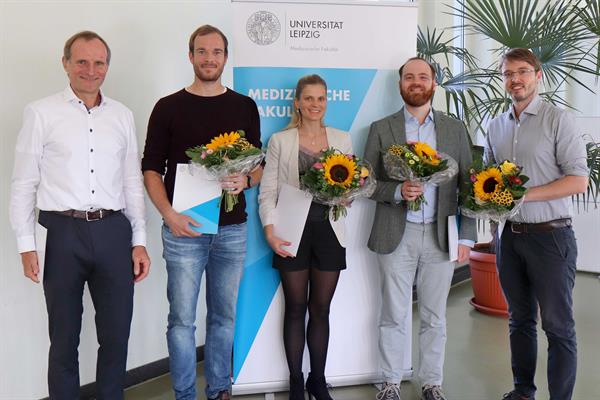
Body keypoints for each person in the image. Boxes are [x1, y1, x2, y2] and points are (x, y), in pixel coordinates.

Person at [9, 31, 150, 399]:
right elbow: (23, 183)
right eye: (82, 61)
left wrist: (139, 241)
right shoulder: (41, 113)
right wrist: (26, 245)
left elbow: (132, 182)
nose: (91, 70)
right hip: (60, 235)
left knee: (116, 337)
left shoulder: (122, 116)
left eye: (99, 62)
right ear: (66, 63)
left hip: (113, 233)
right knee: (64, 340)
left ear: (107, 66)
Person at [141, 25, 262, 400]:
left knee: (223, 318)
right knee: (181, 322)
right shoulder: (167, 107)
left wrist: (246, 182)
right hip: (183, 231)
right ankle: (184, 395)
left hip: (232, 231)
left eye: (217, 52)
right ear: (190, 55)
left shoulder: (244, 106)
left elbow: (257, 166)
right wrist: (169, 215)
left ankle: (220, 390)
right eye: (202, 51)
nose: (209, 59)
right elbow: (150, 168)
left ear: (225, 57)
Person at [364, 57, 476, 400]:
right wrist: (397, 191)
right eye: (409, 77)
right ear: (400, 84)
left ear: (433, 83)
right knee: (393, 313)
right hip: (396, 232)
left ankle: (431, 383)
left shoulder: (454, 129)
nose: (416, 82)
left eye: (422, 77)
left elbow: (468, 186)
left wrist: (467, 235)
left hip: (441, 234)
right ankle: (391, 383)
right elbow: (366, 183)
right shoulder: (381, 129)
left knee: (434, 315)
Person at [485, 48, 588, 400]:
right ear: (503, 79)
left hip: (551, 238)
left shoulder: (558, 120)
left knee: (558, 327)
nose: (516, 79)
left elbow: (578, 180)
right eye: (508, 73)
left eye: (523, 72)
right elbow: (489, 180)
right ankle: (523, 391)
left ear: (537, 75)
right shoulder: (495, 126)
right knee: (519, 320)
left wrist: (524, 195)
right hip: (509, 239)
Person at [258, 74, 351, 400]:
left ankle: (318, 380)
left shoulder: (342, 138)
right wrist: (269, 229)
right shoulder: (280, 141)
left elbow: (349, 186)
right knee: (295, 308)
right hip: (290, 230)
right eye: (308, 98)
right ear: (297, 102)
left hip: (329, 231)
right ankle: (296, 382)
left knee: (321, 309)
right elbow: (267, 190)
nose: (315, 105)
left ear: (327, 102)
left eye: (321, 98)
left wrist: (346, 196)